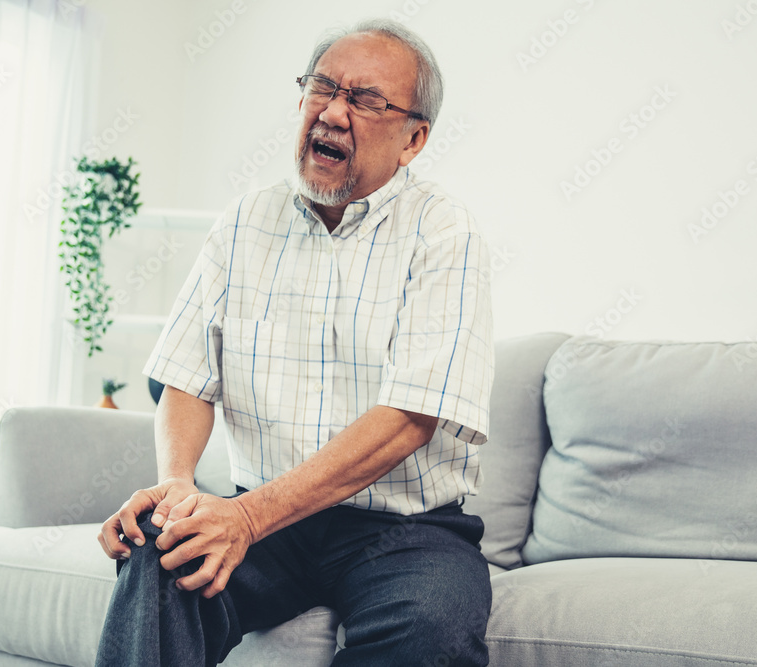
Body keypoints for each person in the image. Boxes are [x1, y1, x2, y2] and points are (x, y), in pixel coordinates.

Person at [95, 18, 494, 667]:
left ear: (413, 139)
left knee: (431, 632)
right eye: (322, 88)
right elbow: (185, 374)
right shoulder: (246, 221)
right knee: (162, 556)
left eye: (365, 100)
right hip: (265, 517)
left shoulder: (445, 233)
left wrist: (246, 518)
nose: (333, 112)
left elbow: (411, 418)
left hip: (406, 531)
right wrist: (176, 489)